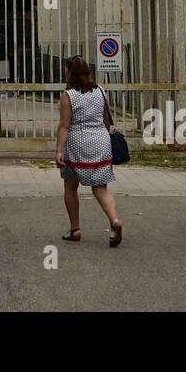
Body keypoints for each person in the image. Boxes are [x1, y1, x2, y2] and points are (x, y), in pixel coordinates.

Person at [55, 55, 122, 247]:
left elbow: (65, 126)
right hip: (101, 141)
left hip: (77, 143)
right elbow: (106, 120)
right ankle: (115, 221)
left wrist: (59, 150)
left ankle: (75, 229)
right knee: (101, 188)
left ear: (70, 72)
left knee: (70, 186)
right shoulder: (100, 91)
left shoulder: (68, 96)